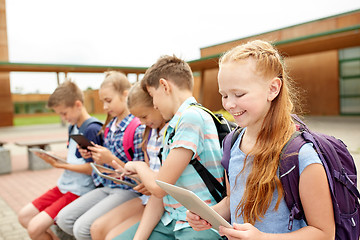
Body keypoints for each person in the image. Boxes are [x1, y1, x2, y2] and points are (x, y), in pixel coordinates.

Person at [186, 40, 335, 239]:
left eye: (239, 94)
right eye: (224, 95)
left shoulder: (301, 155)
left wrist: (262, 238)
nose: (229, 104)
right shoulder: (231, 143)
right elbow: (233, 202)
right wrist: (209, 215)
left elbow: (324, 233)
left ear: (273, 89)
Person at [114, 55, 224, 240]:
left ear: (165, 86)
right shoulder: (173, 126)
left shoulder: (191, 118)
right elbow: (163, 192)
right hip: (173, 220)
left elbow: (159, 187)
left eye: (152, 96)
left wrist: (139, 166)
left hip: (198, 223)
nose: (154, 104)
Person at [56, 71, 145, 240]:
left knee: (83, 229)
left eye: (108, 101)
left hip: (127, 189)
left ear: (125, 95)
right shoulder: (110, 126)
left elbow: (141, 177)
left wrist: (109, 159)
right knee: (64, 219)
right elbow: (102, 162)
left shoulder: (138, 127)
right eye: (103, 101)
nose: (104, 107)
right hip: (106, 185)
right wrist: (91, 154)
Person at [17, 80, 103, 240]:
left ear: (78, 104)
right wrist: (56, 159)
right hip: (64, 185)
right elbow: (74, 159)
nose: (63, 118)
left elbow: (94, 168)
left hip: (79, 191)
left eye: (64, 113)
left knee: (34, 228)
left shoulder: (92, 129)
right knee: (24, 217)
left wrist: (60, 165)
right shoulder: (73, 126)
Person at [90, 82, 166, 240]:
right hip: (148, 197)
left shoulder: (163, 132)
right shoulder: (148, 132)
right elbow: (147, 175)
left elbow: (157, 184)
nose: (141, 122)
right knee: (97, 229)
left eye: (143, 117)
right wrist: (132, 173)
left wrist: (140, 173)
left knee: (111, 235)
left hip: (159, 200)